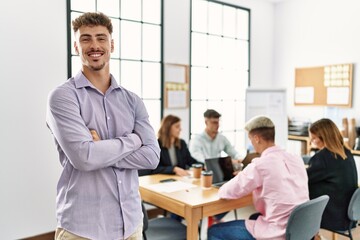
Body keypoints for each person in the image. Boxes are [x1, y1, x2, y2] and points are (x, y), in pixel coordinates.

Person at [46, 12, 160, 240]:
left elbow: (152, 157)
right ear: (77, 46)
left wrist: (102, 149)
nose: (94, 45)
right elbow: (84, 157)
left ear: (112, 45)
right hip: (83, 229)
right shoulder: (62, 97)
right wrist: (133, 141)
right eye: (86, 39)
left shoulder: (132, 100)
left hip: (131, 226)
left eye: (101, 38)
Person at [208, 115, 309, 240]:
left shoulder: (260, 165)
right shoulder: (295, 158)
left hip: (277, 233)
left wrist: (242, 177)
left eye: (250, 139)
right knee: (254, 217)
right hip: (299, 230)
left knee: (213, 231)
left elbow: (225, 192)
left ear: (256, 139)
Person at [307, 118, 358, 232]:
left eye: (314, 138)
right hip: (347, 216)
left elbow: (304, 179)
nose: (312, 141)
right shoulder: (346, 152)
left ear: (324, 137)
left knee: (299, 196)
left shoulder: (323, 157)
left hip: (334, 217)